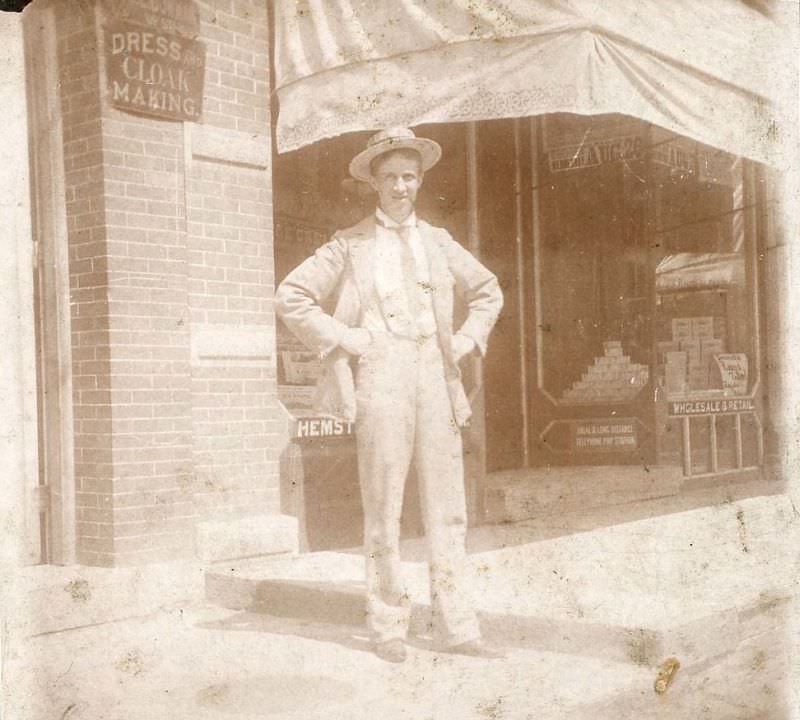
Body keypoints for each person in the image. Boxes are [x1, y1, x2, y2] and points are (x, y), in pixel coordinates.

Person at [275, 127, 504, 663]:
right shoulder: (349, 244)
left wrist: (467, 341)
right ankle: (387, 626)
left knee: (448, 507)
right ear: (373, 184)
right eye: (389, 178)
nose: (400, 188)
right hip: (382, 374)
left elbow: (488, 290)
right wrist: (348, 338)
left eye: (409, 177)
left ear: (420, 181)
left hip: (436, 376)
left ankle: (457, 625)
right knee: (384, 504)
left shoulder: (439, 242)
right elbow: (291, 295)